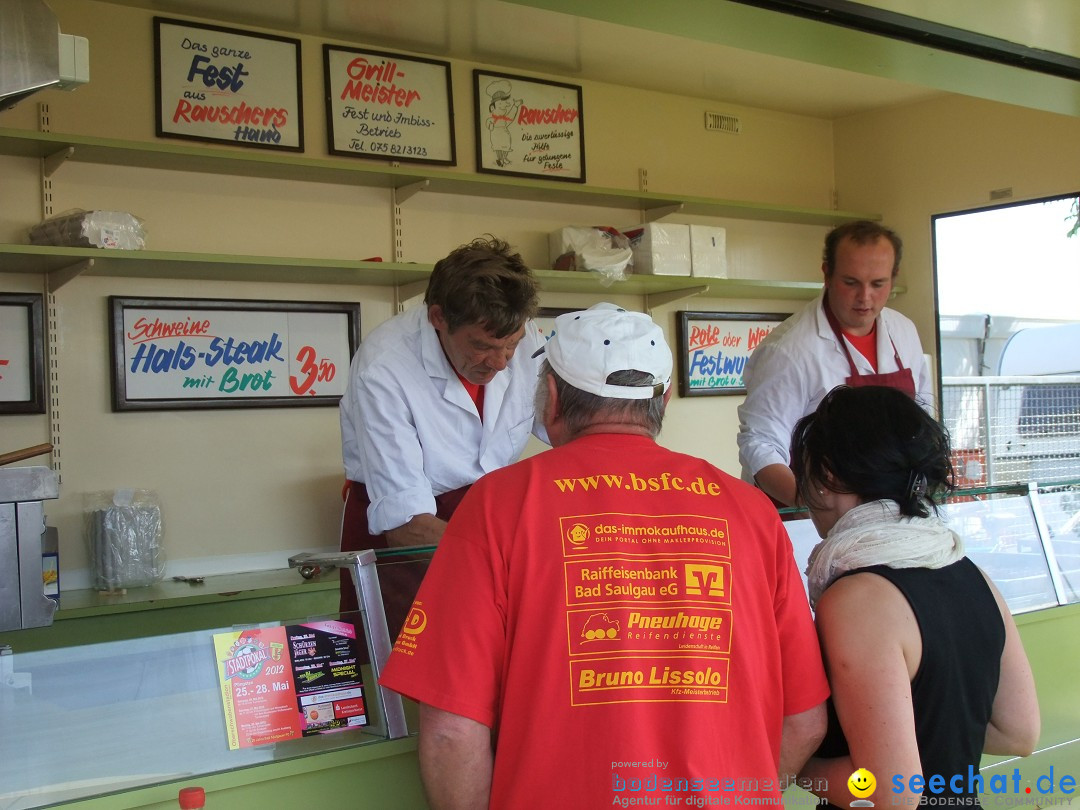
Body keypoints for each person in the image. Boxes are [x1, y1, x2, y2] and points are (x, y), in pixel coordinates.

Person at [380, 304, 829, 809]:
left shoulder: (499, 505)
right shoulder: (749, 511)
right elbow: (804, 720)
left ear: (551, 396)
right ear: (660, 401)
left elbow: (450, 731)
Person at [790, 386, 1040, 808]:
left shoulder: (856, 598)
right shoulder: (971, 572)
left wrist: (793, 765)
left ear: (828, 474)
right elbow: (1019, 732)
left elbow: (890, 793)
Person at [337, 236, 545, 632]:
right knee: (406, 672)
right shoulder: (383, 368)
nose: (501, 364)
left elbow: (567, 426)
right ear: (438, 318)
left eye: (512, 346)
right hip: (411, 537)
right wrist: (505, 572)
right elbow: (405, 524)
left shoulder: (523, 337)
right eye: (482, 347)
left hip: (485, 527)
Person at [737, 220, 934, 507]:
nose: (865, 297)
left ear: (893, 277)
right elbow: (761, 444)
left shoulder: (903, 331)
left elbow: (923, 417)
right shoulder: (790, 350)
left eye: (878, 284)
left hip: (890, 512)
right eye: (851, 282)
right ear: (827, 274)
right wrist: (816, 507)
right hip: (804, 518)